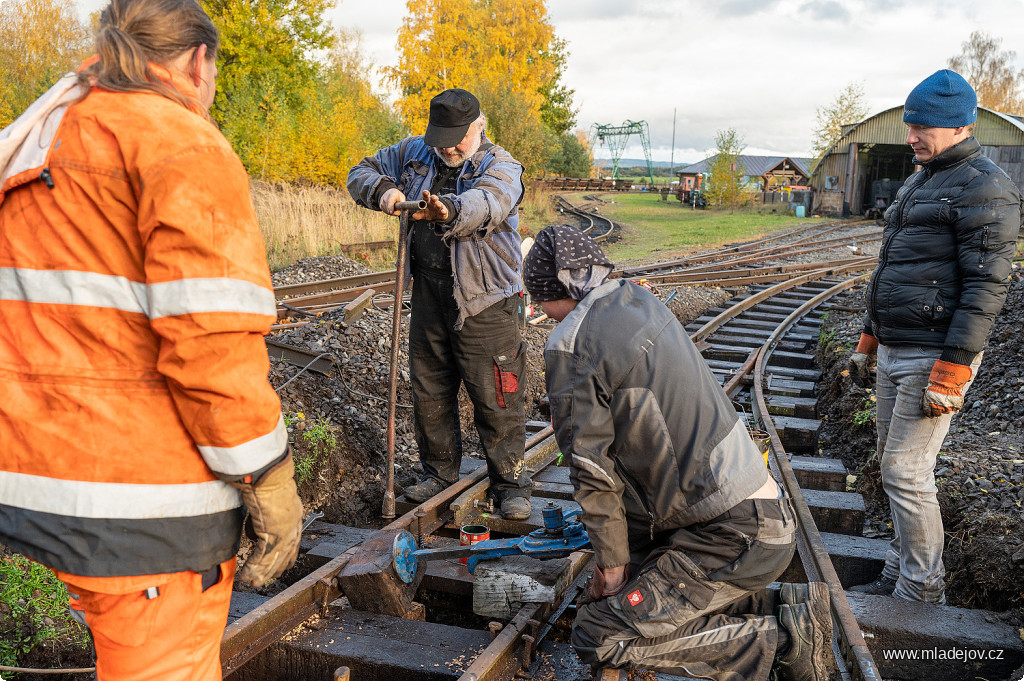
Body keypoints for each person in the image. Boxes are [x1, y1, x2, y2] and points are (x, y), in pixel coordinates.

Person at [0, 0, 303, 678]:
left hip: (45, 482)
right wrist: (268, 477)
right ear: (198, 61)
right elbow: (212, 345)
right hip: (148, 508)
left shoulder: (46, 131)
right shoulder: (179, 142)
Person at [523, 225, 834, 681]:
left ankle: (782, 644)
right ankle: (790, 606)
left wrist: (612, 564)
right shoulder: (637, 299)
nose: (540, 312)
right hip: (757, 518)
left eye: (538, 299)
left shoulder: (572, 345)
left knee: (599, 634)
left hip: (730, 534)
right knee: (640, 588)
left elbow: (591, 470)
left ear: (552, 290)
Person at [848, 70, 1022, 604]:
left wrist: (954, 368)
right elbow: (893, 272)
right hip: (895, 346)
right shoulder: (921, 180)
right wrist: (869, 341)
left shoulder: (985, 186)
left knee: (905, 470)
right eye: (910, 126)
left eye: (922, 127)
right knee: (891, 466)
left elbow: (986, 288)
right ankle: (898, 570)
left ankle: (922, 591)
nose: (911, 137)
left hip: (934, 354)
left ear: (959, 126)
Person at [347, 88, 532, 520]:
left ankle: (510, 484)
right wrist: (383, 191)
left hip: (486, 301)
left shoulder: (502, 166)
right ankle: (440, 473)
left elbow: (488, 202)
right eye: (441, 139)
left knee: (497, 396)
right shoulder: (414, 152)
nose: (448, 148)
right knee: (429, 388)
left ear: (479, 126)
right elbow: (360, 171)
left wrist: (448, 209)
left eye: (457, 139)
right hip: (429, 293)